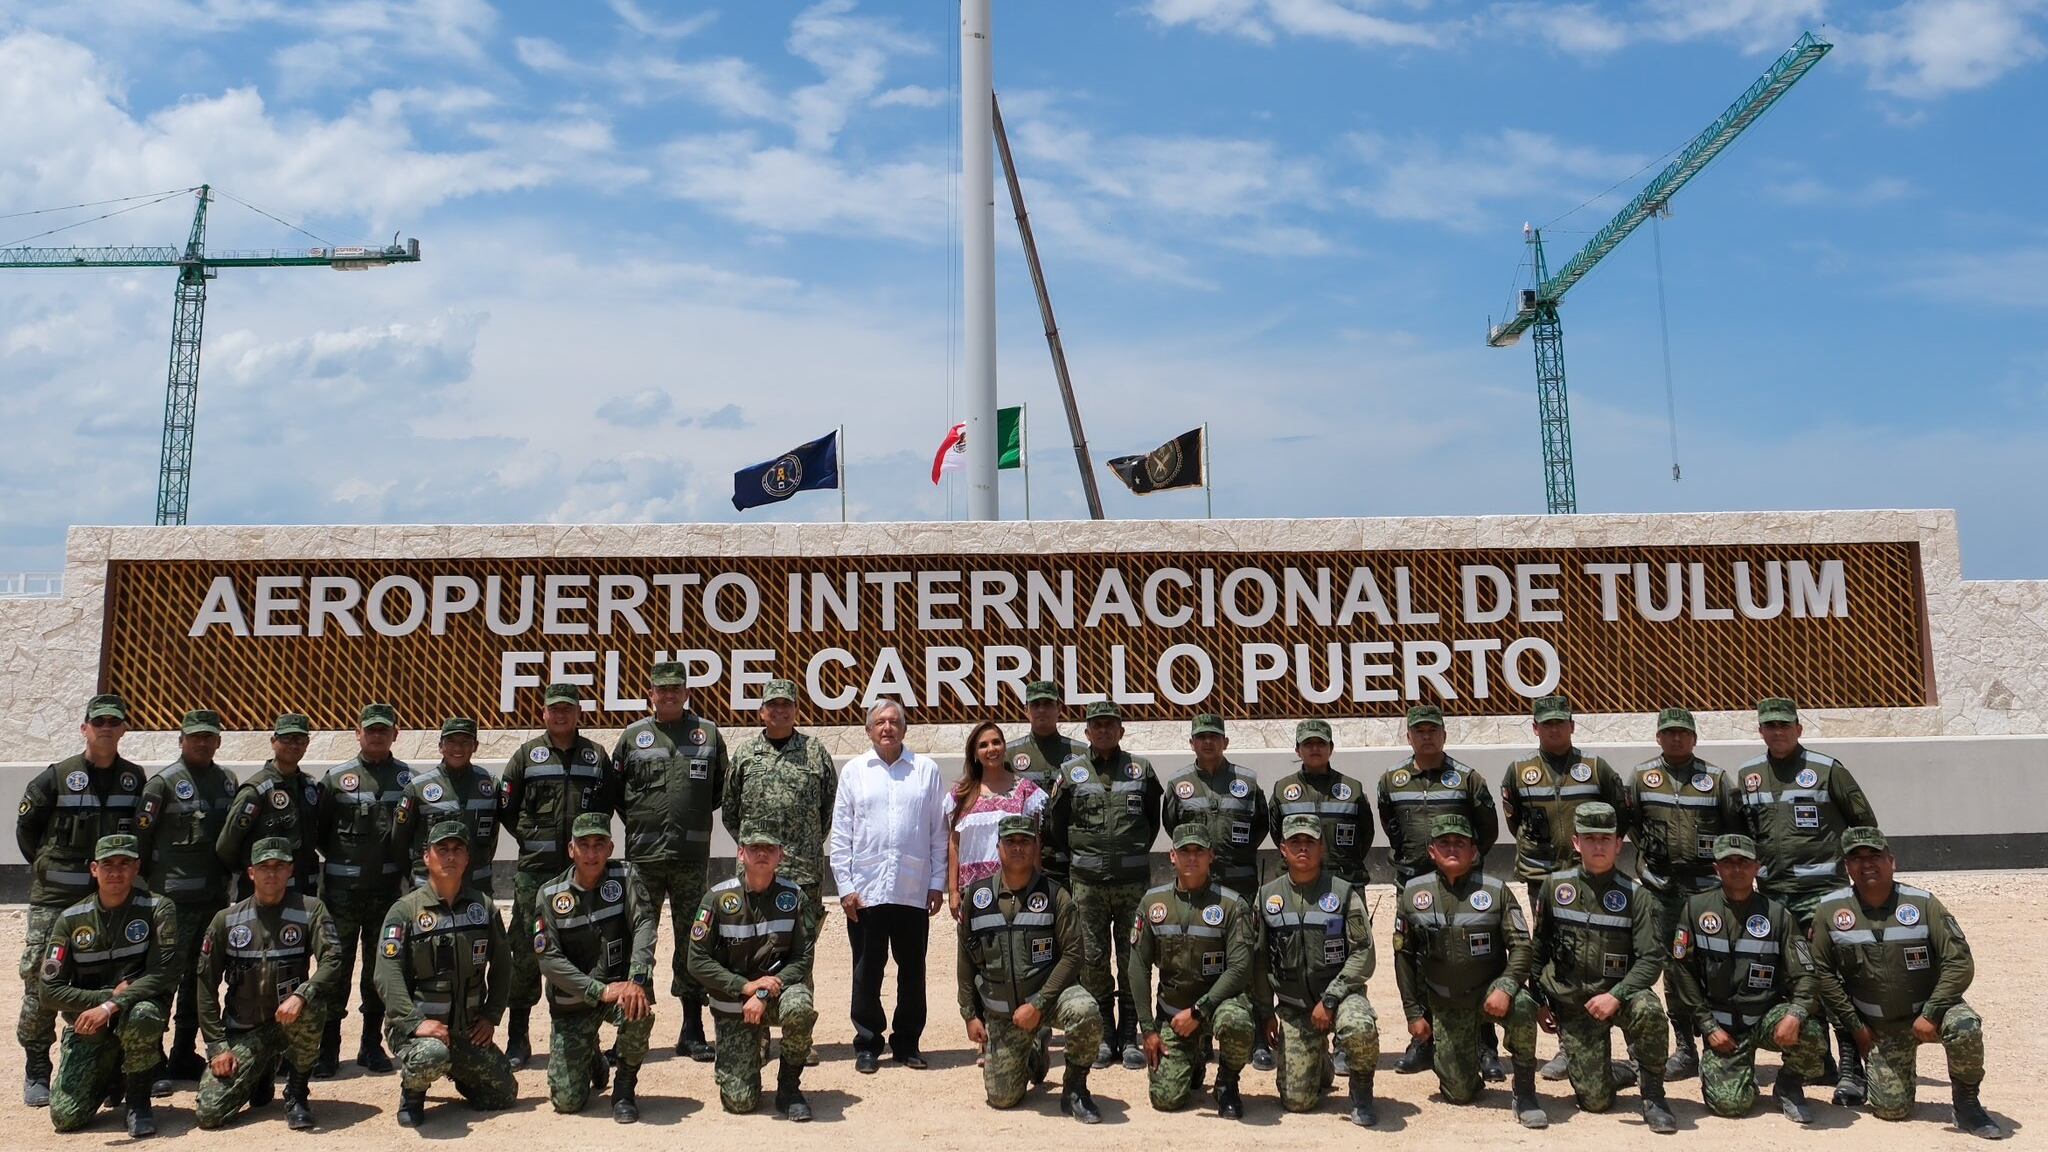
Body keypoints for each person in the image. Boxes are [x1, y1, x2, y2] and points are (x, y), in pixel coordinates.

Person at [1809, 827, 2006, 1139]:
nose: (1866, 863)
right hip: (1879, 1026)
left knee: (1964, 1026)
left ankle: (1967, 1105)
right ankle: (1866, 1071)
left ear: (1892, 861)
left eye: (1875, 855)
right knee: (1892, 1110)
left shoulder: (1923, 904)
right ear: (1847, 867)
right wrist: (1856, 1027)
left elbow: (1959, 962)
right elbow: (1821, 972)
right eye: (1856, 858)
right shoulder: (1830, 910)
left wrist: (1932, 1012)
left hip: (1930, 1013)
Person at [1739, 696, 1880, 1099]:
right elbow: (1744, 833)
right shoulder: (1749, 775)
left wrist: (1862, 880)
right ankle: (1820, 1062)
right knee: (1793, 978)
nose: (1778, 732)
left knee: (1833, 978)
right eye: (1770, 726)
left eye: (1785, 725)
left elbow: (1864, 825)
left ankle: (1852, 1068)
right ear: (1760, 731)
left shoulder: (1827, 770)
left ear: (1799, 729)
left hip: (1822, 895)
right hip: (1773, 896)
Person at [16, 693, 146, 1108]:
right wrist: (49, 868)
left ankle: (107, 1066)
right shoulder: (56, 777)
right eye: (98, 721)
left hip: (109, 898)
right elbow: (27, 831)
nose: (106, 728)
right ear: (84, 728)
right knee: (42, 978)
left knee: (108, 977)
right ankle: (38, 1068)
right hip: (55, 898)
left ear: (124, 729)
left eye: (113, 722)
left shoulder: (135, 779)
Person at [1390, 815, 1545, 1128]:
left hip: (1490, 995)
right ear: (1431, 851)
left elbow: (1522, 947)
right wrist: (1413, 1013)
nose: (1452, 848)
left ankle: (1525, 1091)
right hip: (1446, 1003)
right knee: (1459, 1093)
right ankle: (1467, 1066)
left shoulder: (1496, 891)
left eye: (1460, 843)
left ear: (1474, 852)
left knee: (1523, 1005)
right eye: (1444, 843)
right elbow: (1403, 956)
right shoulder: (1413, 894)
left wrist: (1506, 986)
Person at [1530, 801, 1675, 1133]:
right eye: (1590, 838)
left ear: (1618, 844)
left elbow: (1651, 960)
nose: (1598, 846)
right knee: (1595, 1101)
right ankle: (1616, 1071)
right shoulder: (1555, 887)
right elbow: (1539, 950)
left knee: (1649, 1009)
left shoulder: (1637, 896)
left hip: (1617, 997)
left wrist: (1617, 995)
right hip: (1574, 1003)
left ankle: (1654, 1096)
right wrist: (1540, 1000)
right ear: (1576, 842)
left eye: (1606, 839)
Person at [1663, 833, 1825, 1123]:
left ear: (1756, 867)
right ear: (1717, 868)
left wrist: (1795, 1014)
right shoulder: (1696, 909)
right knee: (1731, 1105)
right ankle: (1728, 1072)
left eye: (1744, 862)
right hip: (1722, 1026)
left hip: (1764, 1018)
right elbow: (1682, 971)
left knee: (1810, 1031)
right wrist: (1708, 1026)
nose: (1737, 869)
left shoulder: (1778, 915)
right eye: (1729, 862)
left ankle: (1788, 1085)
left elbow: (1806, 973)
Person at [497, 682, 618, 1069]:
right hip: (535, 871)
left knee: (583, 951)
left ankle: (585, 1035)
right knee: (526, 951)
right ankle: (518, 1035)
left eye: (568, 708)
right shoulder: (526, 756)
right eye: (554, 709)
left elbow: (605, 807)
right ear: (544, 713)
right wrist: (532, 839)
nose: (561, 715)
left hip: (581, 872)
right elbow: (507, 807)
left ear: (579, 714)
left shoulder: (595, 756)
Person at [612, 660, 727, 1061]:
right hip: (643, 857)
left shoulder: (707, 735)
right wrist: (644, 823)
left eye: (676, 689)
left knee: (693, 938)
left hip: (689, 857)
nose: (669, 695)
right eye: (662, 690)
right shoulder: (633, 737)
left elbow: (719, 791)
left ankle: (692, 1029)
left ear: (686, 693)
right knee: (636, 938)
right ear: (651, 695)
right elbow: (618, 793)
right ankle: (629, 1030)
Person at [192, 837, 345, 1131]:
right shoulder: (226, 920)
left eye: (279, 866)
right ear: (251, 873)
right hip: (244, 1029)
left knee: (313, 1005)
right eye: (264, 867)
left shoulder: (311, 910)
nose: (271, 873)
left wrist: (302, 994)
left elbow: (333, 960)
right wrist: (216, 1047)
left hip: (289, 1022)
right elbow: (205, 986)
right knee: (210, 1113)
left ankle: (296, 1094)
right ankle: (261, 1070)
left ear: (290, 870)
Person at [1622, 706, 1741, 1084]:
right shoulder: (1642, 777)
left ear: (1694, 738)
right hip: (1661, 891)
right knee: (1673, 968)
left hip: (1707, 890)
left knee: (1713, 966)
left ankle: (1715, 1043)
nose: (1676, 738)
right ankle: (1686, 1048)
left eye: (1683, 733)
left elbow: (1733, 831)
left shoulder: (1716, 779)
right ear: (1658, 737)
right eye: (1669, 732)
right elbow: (1633, 826)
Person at [956, 814, 1102, 1122]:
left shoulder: (1055, 895)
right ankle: (1034, 1051)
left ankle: (1075, 1087)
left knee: (1085, 1010)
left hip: (1048, 1000)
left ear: (1036, 847)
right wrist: (970, 1014)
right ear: (998, 847)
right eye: (1010, 841)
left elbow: (1074, 954)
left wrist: (1038, 1004)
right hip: (1004, 1013)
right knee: (1002, 1098)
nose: (1018, 848)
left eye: (1025, 841)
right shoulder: (977, 898)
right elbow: (966, 959)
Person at [828, 698, 948, 1073]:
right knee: (867, 970)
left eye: (894, 722)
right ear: (869, 730)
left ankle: (907, 1042)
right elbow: (840, 835)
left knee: (912, 971)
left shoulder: (925, 771)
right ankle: (868, 1042)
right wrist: (845, 887)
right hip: (866, 891)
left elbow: (938, 832)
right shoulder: (855, 772)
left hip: (913, 889)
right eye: (880, 722)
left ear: (905, 729)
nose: (887, 728)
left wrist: (937, 883)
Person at [1379, 704, 1499, 1075]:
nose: (1427, 736)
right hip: (1414, 886)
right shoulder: (1392, 780)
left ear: (1444, 735)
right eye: (1420, 731)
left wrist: (1463, 865)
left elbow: (1488, 830)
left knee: (1476, 958)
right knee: (1416, 959)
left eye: (1433, 730)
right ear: (1409, 737)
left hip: (1463, 886)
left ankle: (1485, 1046)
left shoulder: (1467, 779)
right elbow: (1391, 828)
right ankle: (1423, 1041)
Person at [1043, 700, 1162, 1070]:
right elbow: (1057, 825)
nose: (1104, 730)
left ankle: (1129, 1034)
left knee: (1132, 957)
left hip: (1132, 884)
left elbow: (1152, 821)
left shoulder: (1141, 770)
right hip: (1088, 884)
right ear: (1087, 732)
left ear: (1121, 730)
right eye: (1097, 725)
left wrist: (1128, 853)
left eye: (1111, 724)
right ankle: (1105, 1034)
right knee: (1093, 959)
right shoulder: (1071, 772)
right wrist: (1087, 856)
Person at [372, 821, 516, 1127]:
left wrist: (490, 1016)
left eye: (457, 849)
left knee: (502, 1094)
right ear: (427, 857)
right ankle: (413, 1094)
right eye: (442, 849)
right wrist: (415, 1022)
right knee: (431, 1055)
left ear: (467, 858)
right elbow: (387, 976)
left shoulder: (483, 907)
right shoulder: (405, 911)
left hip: (466, 1030)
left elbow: (503, 965)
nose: (450, 856)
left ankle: (459, 1070)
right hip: (417, 1031)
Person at [40, 834, 176, 1136]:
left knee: (143, 1014)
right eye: (107, 864)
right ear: (94, 869)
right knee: (66, 1118)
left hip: (135, 1014)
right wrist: (103, 998)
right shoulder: (70, 919)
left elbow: (163, 973)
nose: (116, 871)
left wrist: (112, 1005)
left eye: (124, 863)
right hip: (91, 1027)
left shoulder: (157, 908)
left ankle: (138, 1102)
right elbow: (49, 991)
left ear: (136, 867)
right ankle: (112, 1074)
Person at [135, 708, 241, 1093]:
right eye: (194, 736)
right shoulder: (161, 785)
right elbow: (141, 842)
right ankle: (153, 1060)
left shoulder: (227, 781)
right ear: (181, 740)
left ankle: (183, 1052)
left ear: (218, 741)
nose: (201, 742)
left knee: (201, 979)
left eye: (208, 736)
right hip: (172, 902)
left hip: (212, 900)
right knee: (164, 979)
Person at [1251, 812, 1380, 1126]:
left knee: (1360, 1026)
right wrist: (1266, 1012)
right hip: (1295, 1006)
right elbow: (1259, 960)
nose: (1303, 848)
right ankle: (1320, 1062)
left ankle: (1362, 1089)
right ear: (1283, 849)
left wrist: (1331, 999)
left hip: (1341, 998)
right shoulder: (1267, 897)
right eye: (1295, 841)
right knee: (1297, 1102)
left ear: (1322, 847)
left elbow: (1363, 953)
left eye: (1310, 841)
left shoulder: (1343, 893)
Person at [686, 828, 817, 1120]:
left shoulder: (794, 897)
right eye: (754, 848)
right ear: (740, 853)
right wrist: (744, 987)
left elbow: (802, 958)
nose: (761, 854)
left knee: (799, 1006)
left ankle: (789, 1088)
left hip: (774, 995)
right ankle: (752, 1050)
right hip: (734, 1004)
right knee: (740, 1102)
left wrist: (762, 991)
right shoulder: (717, 898)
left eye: (769, 849)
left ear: (780, 856)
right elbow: (696, 961)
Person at [310, 702, 412, 1077]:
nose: (377, 736)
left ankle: (371, 1044)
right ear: (358, 734)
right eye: (370, 730)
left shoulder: (409, 781)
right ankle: (328, 1048)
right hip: (341, 894)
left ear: (395, 735)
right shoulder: (336, 779)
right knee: (335, 969)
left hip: (386, 893)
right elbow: (318, 832)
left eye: (384, 730)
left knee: (378, 970)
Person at [534, 812, 657, 1123]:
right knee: (567, 1102)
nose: (591, 853)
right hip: (574, 1001)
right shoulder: (550, 895)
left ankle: (624, 1087)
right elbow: (549, 960)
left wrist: (637, 978)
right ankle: (592, 1056)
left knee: (639, 1009)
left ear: (610, 848)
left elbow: (644, 923)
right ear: (571, 849)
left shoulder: (625, 877)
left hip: (620, 991)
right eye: (584, 845)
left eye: (599, 844)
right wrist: (597, 991)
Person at [1133, 824, 1256, 1118]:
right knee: (1166, 1099)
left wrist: (1200, 1011)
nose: (1192, 858)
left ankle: (1227, 1083)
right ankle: (1195, 1058)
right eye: (1185, 851)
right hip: (1174, 1015)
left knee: (1238, 1022)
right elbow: (1137, 967)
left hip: (1216, 1008)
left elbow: (1240, 968)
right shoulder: (1153, 903)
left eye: (1198, 851)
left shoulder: (1232, 905)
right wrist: (1148, 1029)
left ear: (1211, 856)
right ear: (1172, 856)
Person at [722, 679, 836, 941]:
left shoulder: (815, 752)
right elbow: (730, 809)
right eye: (773, 704)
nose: (780, 710)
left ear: (796, 710)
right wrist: (753, 846)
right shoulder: (745, 754)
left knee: (801, 944)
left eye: (786, 704)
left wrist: (805, 842)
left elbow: (828, 808)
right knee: (750, 940)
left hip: (803, 869)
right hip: (756, 870)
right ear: (762, 712)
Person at [1501, 696, 1628, 905]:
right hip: (1540, 875)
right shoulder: (1518, 770)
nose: (1554, 729)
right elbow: (1515, 821)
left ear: (1572, 726)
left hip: (1587, 873)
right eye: (1547, 724)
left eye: (1560, 723)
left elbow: (1620, 813)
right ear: (1535, 728)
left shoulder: (1596, 767)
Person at [946, 720, 1049, 916]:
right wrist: (953, 891)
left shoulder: (1026, 791)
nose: (991, 749)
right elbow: (954, 843)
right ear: (975, 753)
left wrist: (1036, 887)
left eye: (996, 742)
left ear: (1004, 746)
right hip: (973, 891)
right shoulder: (960, 795)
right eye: (983, 745)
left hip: (1017, 889)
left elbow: (1035, 841)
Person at [217, 714, 322, 894]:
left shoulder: (309, 787)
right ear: (273, 742)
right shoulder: (256, 791)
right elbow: (226, 846)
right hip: (264, 894)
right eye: (286, 738)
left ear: (307, 744)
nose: (294, 745)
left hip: (304, 891)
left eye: (300, 739)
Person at [392, 718, 499, 894]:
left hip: (476, 886)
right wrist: (418, 873)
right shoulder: (418, 788)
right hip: (430, 888)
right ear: (440, 746)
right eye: (451, 742)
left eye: (465, 742)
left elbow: (492, 837)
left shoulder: (490, 785)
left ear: (475, 746)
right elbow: (399, 842)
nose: (458, 748)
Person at [1267, 719, 1371, 889]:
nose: (1315, 748)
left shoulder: (1352, 788)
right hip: (1298, 881)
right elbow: (1276, 832)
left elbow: (1366, 834)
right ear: (1297, 750)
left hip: (1345, 879)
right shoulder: (1282, 789)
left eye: (1321, 743)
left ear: (1331, 748)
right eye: (1308, 744)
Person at [1004, 681, 1082, 885]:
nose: (1041, 710)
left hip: (1070, 859)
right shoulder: (1009, 755)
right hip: (1025, 859)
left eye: (1047, 704)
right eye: (1035, 704)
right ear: (1026, 710)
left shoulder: (1080, 754)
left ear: (1059, 709)